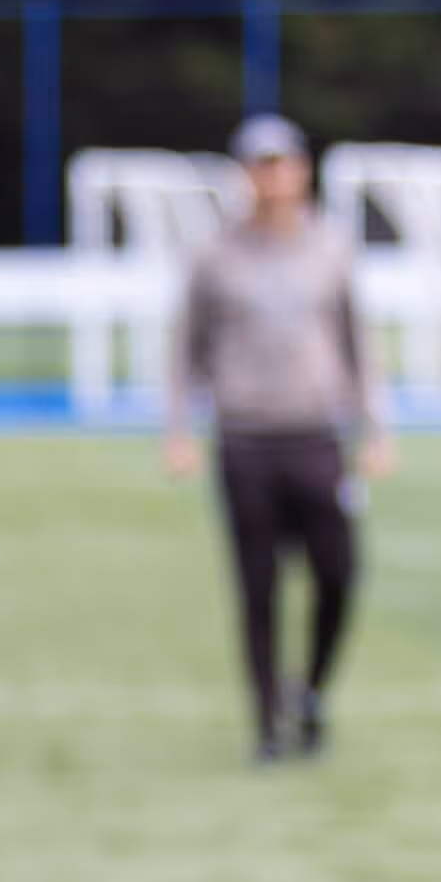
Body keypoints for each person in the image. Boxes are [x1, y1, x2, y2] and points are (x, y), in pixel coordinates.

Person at [164, 113, 397, 764]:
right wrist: (178, 430)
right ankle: (266, 722)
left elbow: (359, 344)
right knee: (258, 583)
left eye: (282, 163)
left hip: (316, 436)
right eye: (259, 165)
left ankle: (312, 690)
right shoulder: (215, 255)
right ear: (244, 175)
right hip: (245, 439)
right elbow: (186, 347)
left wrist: (376, 427)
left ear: (301, 170)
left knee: (339, 573)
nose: (271, 177)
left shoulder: (331, 247)